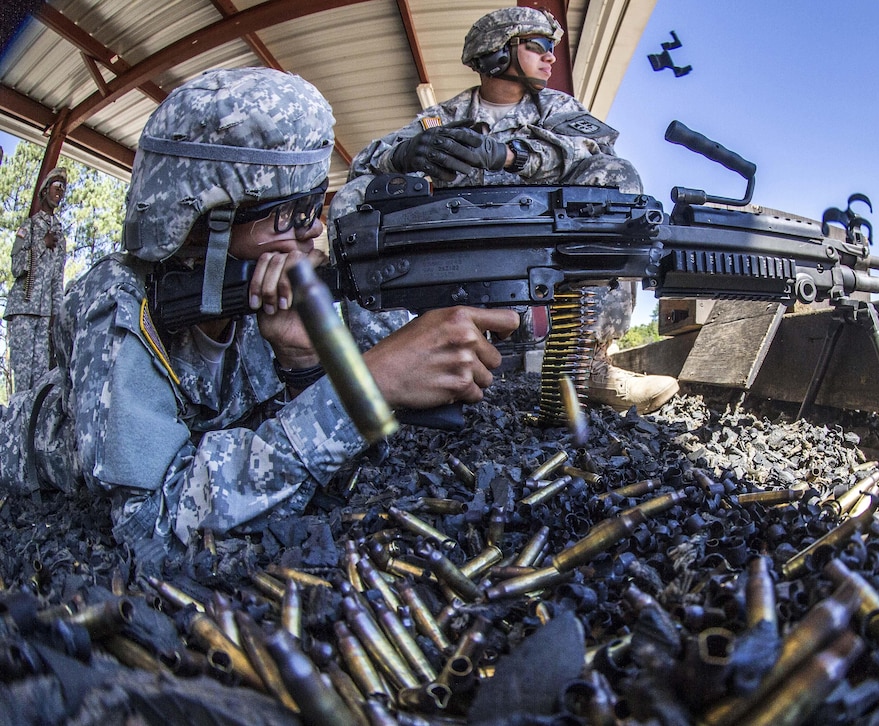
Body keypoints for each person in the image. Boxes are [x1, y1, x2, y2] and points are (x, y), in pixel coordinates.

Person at [0, 67, 518, 567]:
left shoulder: (265, 292)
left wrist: (305, 366)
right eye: (295, 211)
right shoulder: (118, 301)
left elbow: (326, 479)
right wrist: (365, 387)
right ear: (207, 223)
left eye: (316, 205)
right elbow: (152, 530)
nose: (314, 230)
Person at [330, 6, 678, 415]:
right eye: (540, 46)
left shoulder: (557, 108)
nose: (551, 56)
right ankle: (390, 373)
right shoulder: (443, 119)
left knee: (616, 178)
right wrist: (402, 156)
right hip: (461, 252)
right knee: (354, 199)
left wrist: (512, 156)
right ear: (496, 53)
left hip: (545, 244)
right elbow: (364, 165)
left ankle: (587, 365)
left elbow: (594, 151)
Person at [5, 166, 67, 393]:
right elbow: (16, 267)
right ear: (44, 191)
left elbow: (57, 280)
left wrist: (57, 316)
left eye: (64, 189)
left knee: (41, 384)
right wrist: (41, 244)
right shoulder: (28, 227)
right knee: (22, 382)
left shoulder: (60, 233)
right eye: (56, 186)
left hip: (44, 318)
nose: (60, 192)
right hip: (23, 310)